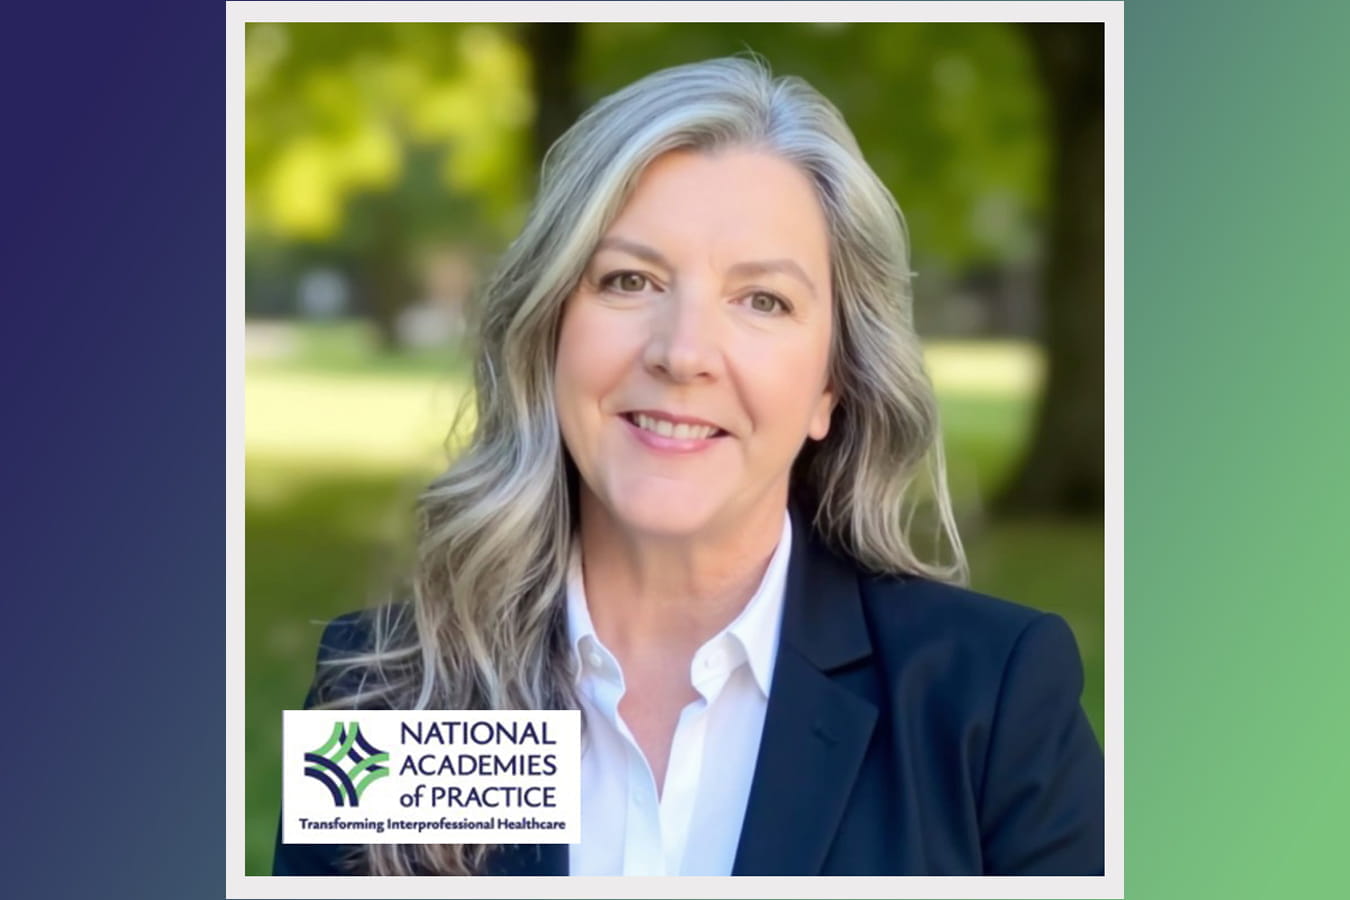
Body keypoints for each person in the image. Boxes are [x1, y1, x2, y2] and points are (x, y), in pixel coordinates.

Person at [273, 55, 1104, 877]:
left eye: (762, 300)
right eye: (630, 280)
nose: (683, 353)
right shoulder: (403, 696)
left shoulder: (983, 703)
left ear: (832, 383)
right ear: (548, 333)